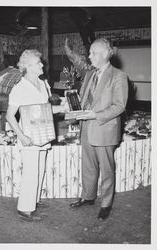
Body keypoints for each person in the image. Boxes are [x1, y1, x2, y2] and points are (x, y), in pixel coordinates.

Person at [65, 38, 128, 220]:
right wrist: (71, 105)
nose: (89, 56)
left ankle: (106, 204)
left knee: (107, 169)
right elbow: (85, 100)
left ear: (104, 54)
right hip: (87, 128)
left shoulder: (119, 76)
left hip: (104, 129)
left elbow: (119, 106)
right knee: (88, 166)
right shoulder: (90, 74)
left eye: (93, 53)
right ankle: (88, 196)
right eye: (90, 52)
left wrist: (95, 115)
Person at [6, 49, 64, 221]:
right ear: (28, 66)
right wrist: (22, 136)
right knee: (30, 172)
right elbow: (9, 115)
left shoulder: (43, 84)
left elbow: (46, 109)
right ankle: (24, 208)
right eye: (38, 62)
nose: (42, 65)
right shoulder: (19, 88)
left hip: (43, 134)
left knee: (39, 169)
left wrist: (64, 108)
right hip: (29, 137)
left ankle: (34, 200)